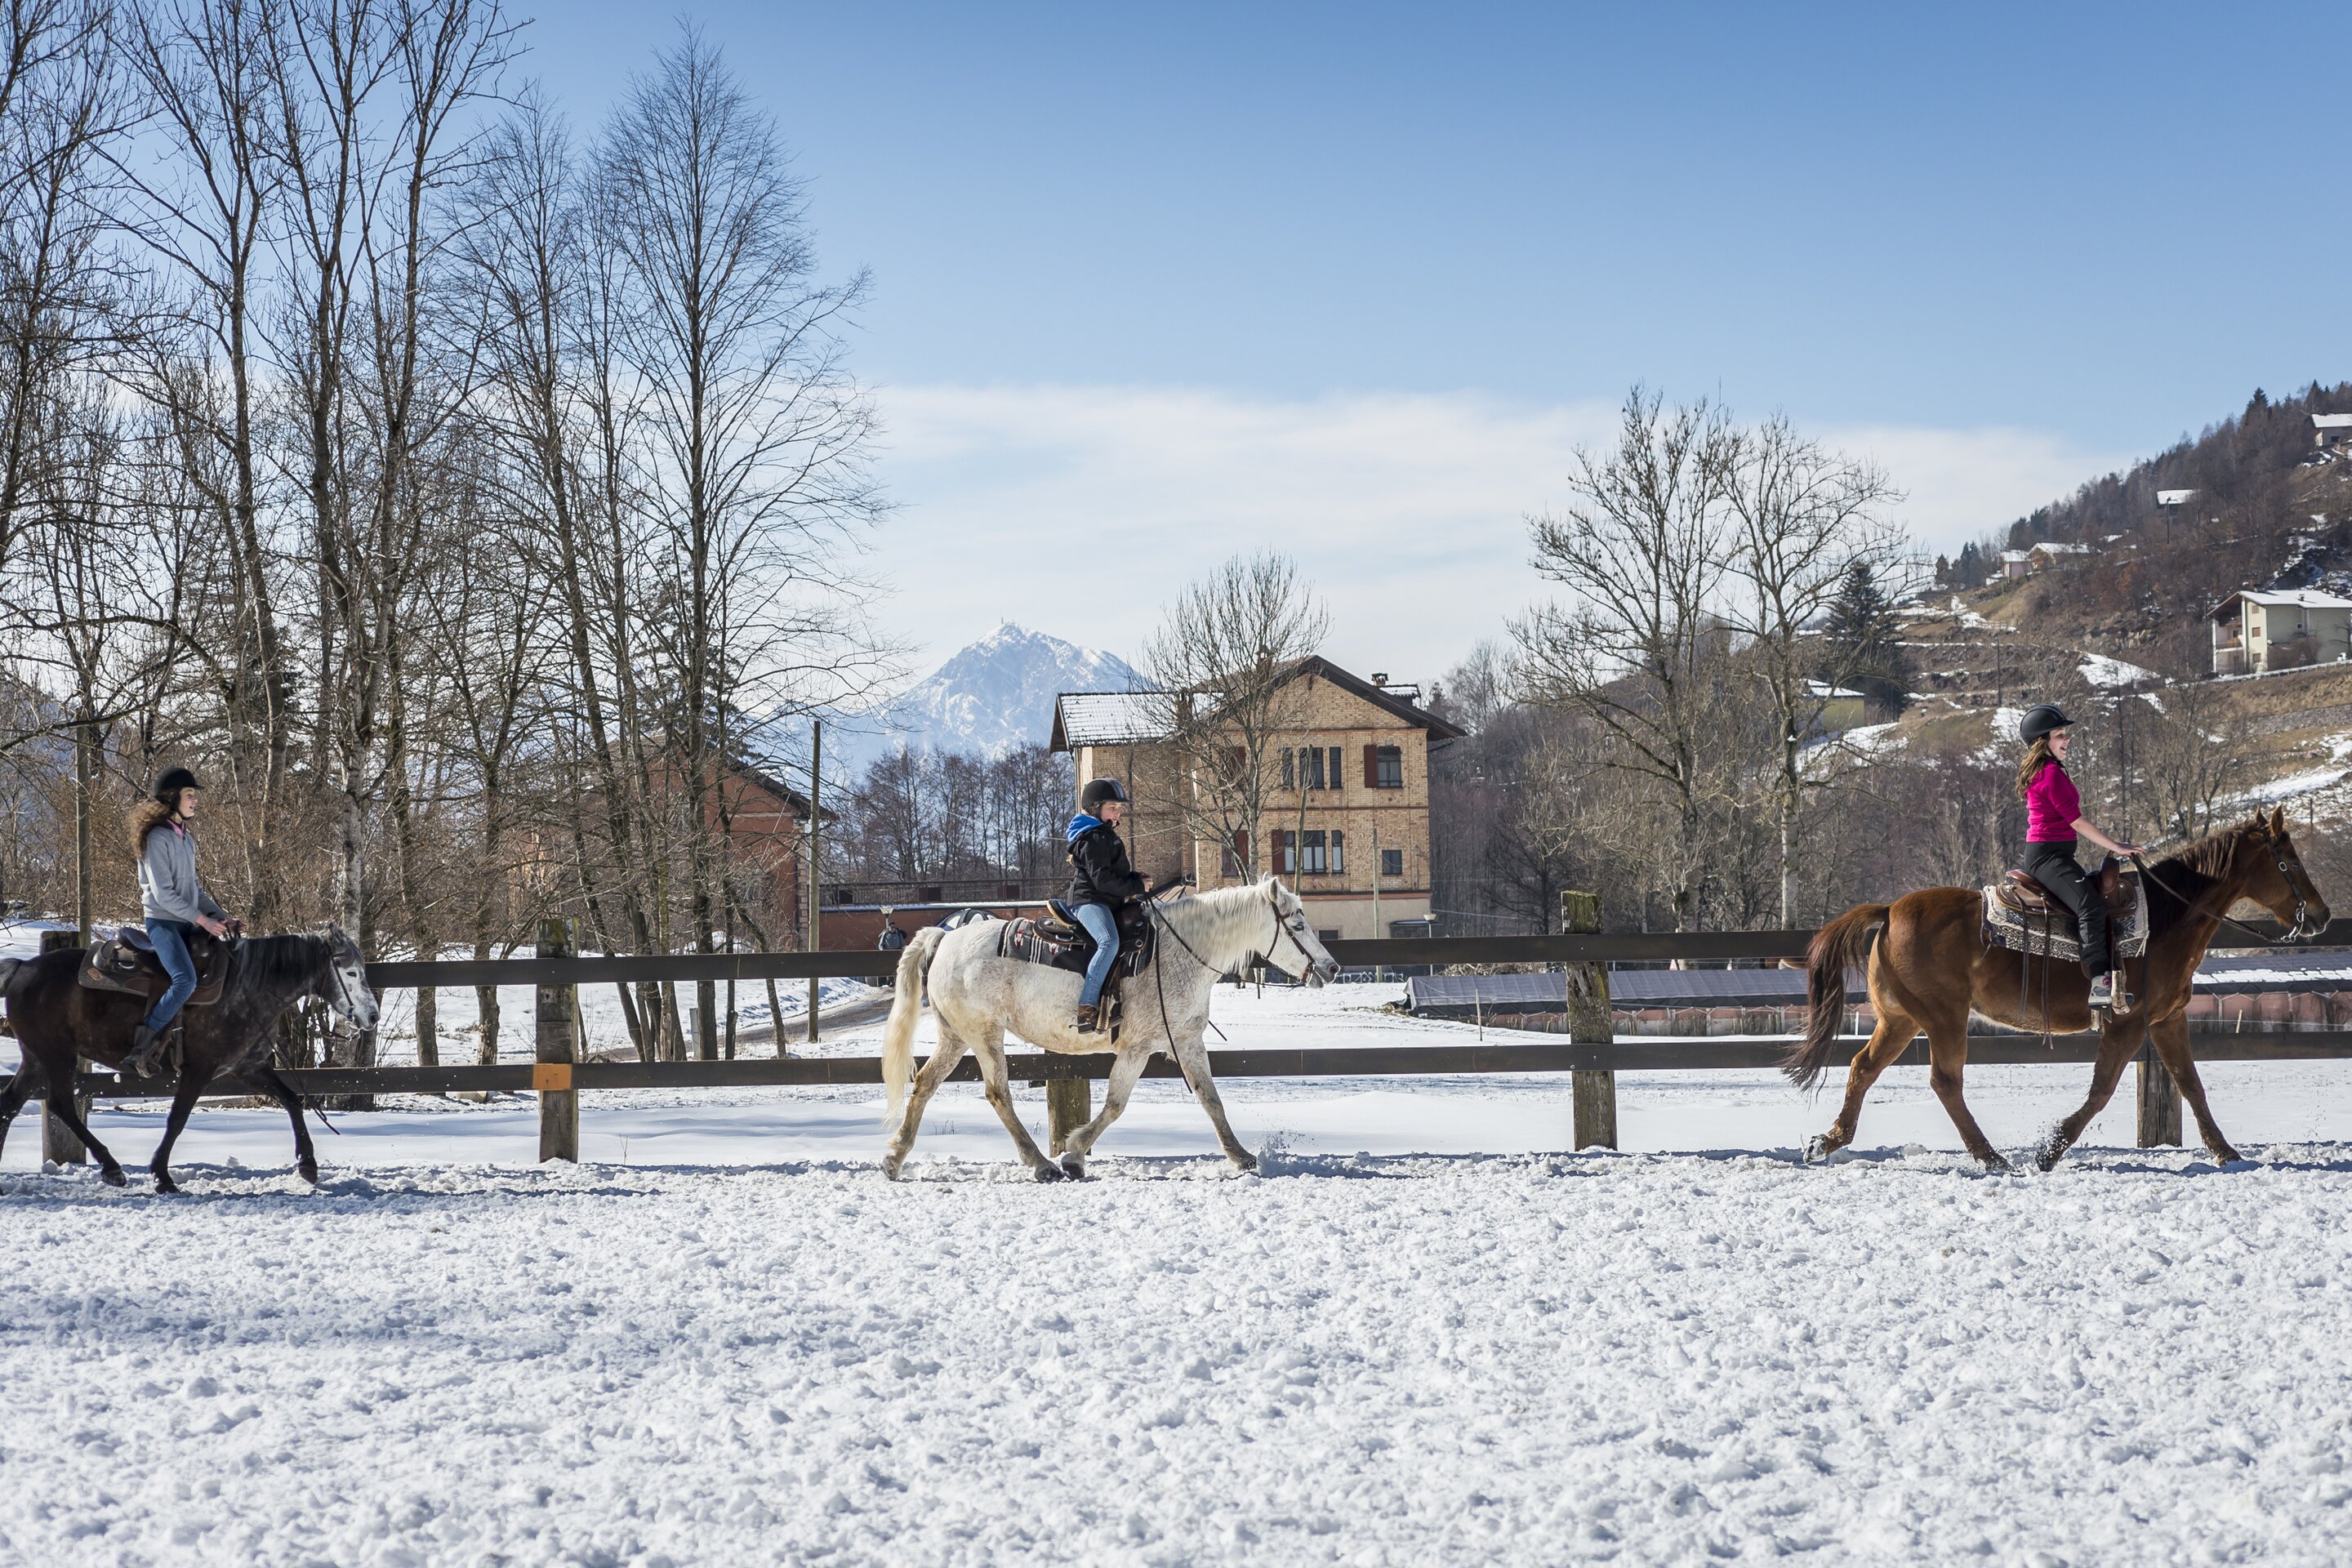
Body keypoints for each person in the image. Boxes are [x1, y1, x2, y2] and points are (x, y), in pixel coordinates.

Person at [2016, 703, 2140, 1012]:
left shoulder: (2050, 770)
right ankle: (2099, 981)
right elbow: (2077, 822)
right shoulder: (2050, 774)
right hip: (2048, 858)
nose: (2066, 739)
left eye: (2065, 734)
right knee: (2091, 906)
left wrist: (2114, 844)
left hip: (2054, 854)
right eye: (2060, 735)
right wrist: (2116, 846)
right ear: (2042, 741)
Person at [122, 766, 236, 1076]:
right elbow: (164, 895)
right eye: (190, 795)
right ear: (172, 799)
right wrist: (202, 920)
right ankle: (143, 1046)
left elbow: (193, 890)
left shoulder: (186, 838)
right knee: (184, 980)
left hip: (187, 922)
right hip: (163, 924)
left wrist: (220, 916)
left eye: (194, 796)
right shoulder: (158, 839)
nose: (194, 801)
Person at [1065, 777, 1152, 1033]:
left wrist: (1136, 880)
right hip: (1088, 901)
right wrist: (1135, 887)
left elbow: (1114, 874)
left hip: (1104, 900)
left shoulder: (1105, 836)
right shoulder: (1092, 837)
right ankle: (1087, 1008)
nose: (1118, 812)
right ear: (1095, 808)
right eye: (1112, 807)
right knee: (1109, 942)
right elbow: (1102, 880)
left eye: (1119, 808)